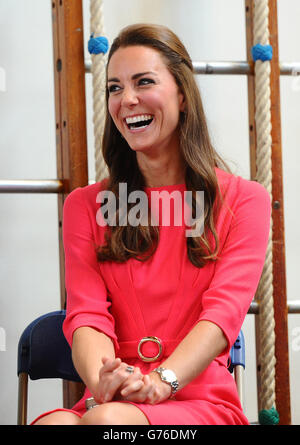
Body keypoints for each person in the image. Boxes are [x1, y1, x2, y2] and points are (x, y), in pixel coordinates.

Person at [32, 23, 271, 425]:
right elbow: (87, 315)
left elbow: (223, 315)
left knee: (109, 423)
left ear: (182, 94)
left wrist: (163, 380)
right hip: (111, 398)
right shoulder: (85, 206)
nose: (127, 100)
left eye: (144, 82)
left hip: (200, 400)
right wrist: (103, 381)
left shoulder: (245, 201)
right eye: (114, 87)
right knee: (55, 423)